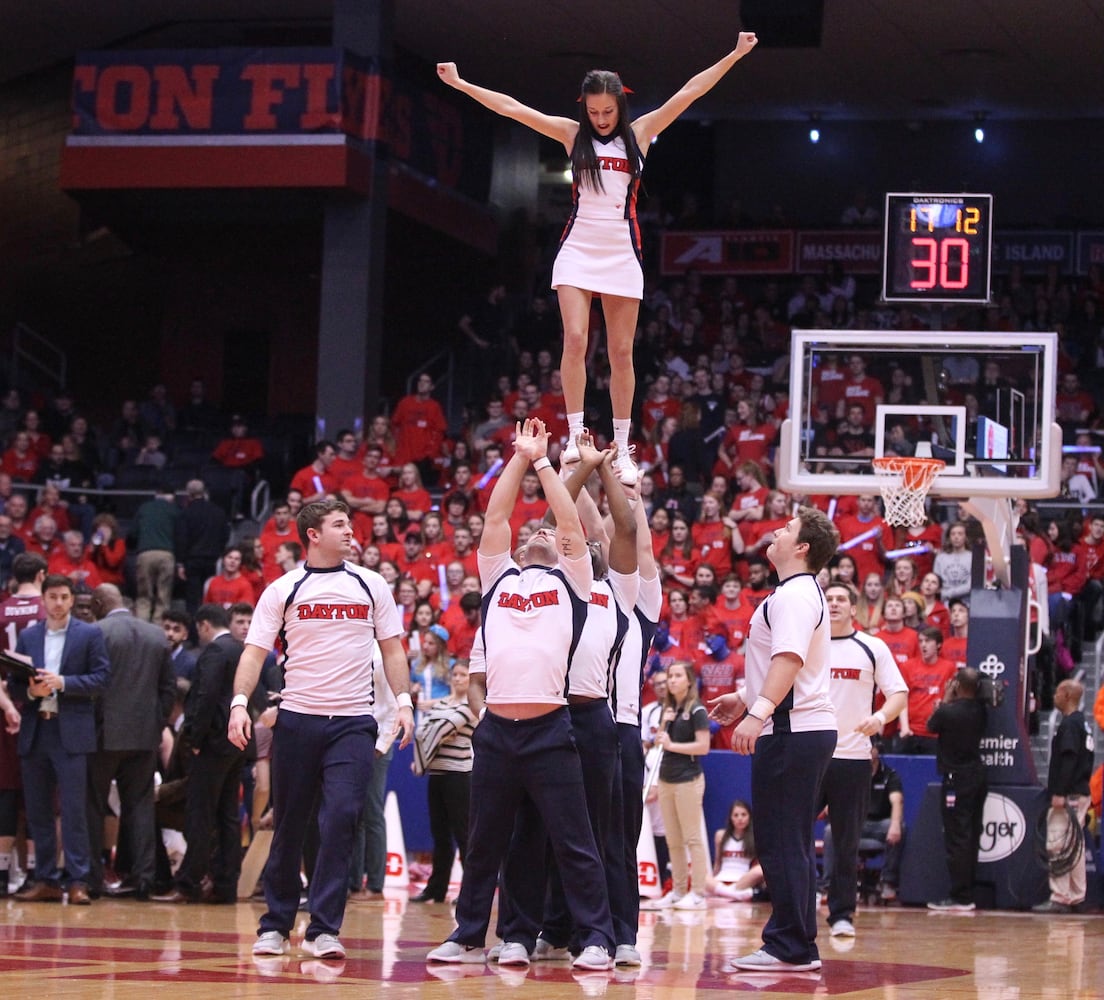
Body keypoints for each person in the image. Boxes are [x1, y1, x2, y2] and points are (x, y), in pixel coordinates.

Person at [437, 31, 759, 486]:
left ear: (620, 107)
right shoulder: (572, 135)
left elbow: (692, 90)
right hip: (577, 247)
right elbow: (512, 108)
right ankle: (572, 435)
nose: (601, 119)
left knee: (622, 351)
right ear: (583, 108)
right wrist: (461, 84)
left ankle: (624, 448)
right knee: (573, 338)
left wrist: (736, 53)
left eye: (608, 111)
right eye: (593, 111)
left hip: (621, 250)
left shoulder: (640, 134)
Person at [426, 418, 616, 971]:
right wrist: (519, 455)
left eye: (547, 534)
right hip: (497, 732)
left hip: (550, 730)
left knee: (574, 842)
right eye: (530, 533)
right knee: (486, 843)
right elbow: (496, 516)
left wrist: (545, 465)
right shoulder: (499, 579)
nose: (536, 534)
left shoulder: (574, 582)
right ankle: (470, 937)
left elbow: (567, 520)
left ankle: (596, 938)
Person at [227, 498, 414, 961]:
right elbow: (254, 653)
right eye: (339, 525)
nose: (351, 532)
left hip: (353, 722)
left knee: (342, 818)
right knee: (289, 825)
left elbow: (392, 650)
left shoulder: (371, 585)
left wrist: (405, 702)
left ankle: (324, 929)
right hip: (297, 720)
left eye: (349, 524)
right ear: (313, 534)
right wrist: (238, 703)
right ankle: (275, 924)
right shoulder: (284, 589)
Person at [708, 505, 840, 974]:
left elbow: (788, 660)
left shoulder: (795, 595)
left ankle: (789, 944)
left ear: (802, 547)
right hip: (800, 726)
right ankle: (798, 942)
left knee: (782, 840)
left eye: (787, 528)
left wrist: (757, 712)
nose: (776, 531)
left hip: (791, 729)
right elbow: (783, 664)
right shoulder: (795, 594)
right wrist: (744, 696)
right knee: (791, 839)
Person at [10, 574, 111, 905]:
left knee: (73, 810)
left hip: (71, 731)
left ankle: (78, 879)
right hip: (37, 727)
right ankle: (47, 878)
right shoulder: (28, 636)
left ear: (71, 600)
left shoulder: (89, 634)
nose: (58, 603)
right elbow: (12, 684)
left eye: (64, 597)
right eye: (52, 597)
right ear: (43, 599)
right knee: (38, 810)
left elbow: (101, 679)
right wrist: (29, 690)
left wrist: (64, 682)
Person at [817, 582, 907, 939]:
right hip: (810, 756)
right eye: (829, 599)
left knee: (845, 841)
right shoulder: (807, 646)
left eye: (841, 599)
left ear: (854, 608)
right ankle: (790, 907)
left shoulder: (872, 647)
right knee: (787, 835)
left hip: (852, 758)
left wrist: (881, 718)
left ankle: (842, 915)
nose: (835, 604)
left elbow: (898, 693)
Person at [86, 583, 175, 900]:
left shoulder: (95, 632)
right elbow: (168, 689)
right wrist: (157, 723)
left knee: (93, 806)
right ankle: (144, 879)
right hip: (145, 735)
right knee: (139, 807)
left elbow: (91, 689)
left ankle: (92, 879)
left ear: (99, 602)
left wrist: (94, 726)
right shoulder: (156, 634)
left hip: (103, 736)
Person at [153, 604, 246, 904]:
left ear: (204, 625)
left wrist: (194, 737)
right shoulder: (240, 648)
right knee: (228, 815)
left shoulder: (216, 652)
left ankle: (190, 883)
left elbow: (204, 696)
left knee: (200, 815)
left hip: (213, 742)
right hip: (236, 743)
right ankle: (225, 884)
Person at [644, 660, 712, 910]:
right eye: (670, 676)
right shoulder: (667, 709)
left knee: (692, 838)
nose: (672, 680)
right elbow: (660, 741)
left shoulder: (697, 710)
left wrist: (673, 745)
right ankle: (678, 890)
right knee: (673, 839)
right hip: (665, 778)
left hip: (688, 778)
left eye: (677, 676)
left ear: (689, 681)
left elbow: (703, 747)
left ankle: (699, 893)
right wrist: (665, 723)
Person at [410, 659, 477, 903]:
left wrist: (423, 754)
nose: (459, 678)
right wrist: (437, 735)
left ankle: (470, 892)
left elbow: (440, 729)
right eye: (456, 675)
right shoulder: (440, 704)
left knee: (464, 835)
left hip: (459, 775)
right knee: (439, 836)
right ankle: (436, 889)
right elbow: (424, 731)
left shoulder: (472, 705)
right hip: (437, 774)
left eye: (463, 675)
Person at [926, 668, 988, 912]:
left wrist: (947, 697)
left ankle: (960, 897)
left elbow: (931, 726)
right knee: (971, 834)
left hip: (956, 780)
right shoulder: (982, 711)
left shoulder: (947, 712)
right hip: (977, 777)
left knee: (957, 837)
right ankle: (967, 892)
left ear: (957, 685)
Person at [1033, 679, 1094, 914]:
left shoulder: (1070, 725)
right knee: (1075, 848)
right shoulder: (1082, 724)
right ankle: (1077, 897)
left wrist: (1060, 793)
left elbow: (1069, 760)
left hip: (1069, 796)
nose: (1054, 696)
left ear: (1067, 695)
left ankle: (1060, 897)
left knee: (1058, 845)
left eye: (1058, 691)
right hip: (1081, 793)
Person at [711, 800, 764, 901]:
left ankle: (729, 893)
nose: (740, 818)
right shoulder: (720, 835)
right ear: (731, 818)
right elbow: (717, 863)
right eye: (736, 815)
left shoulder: (755, 837)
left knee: (760, 869)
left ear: (749, 817)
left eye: (743, 815)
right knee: (697, 872)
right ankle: (729, 893)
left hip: (742, 881)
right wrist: (712, 879)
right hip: (720, 881)